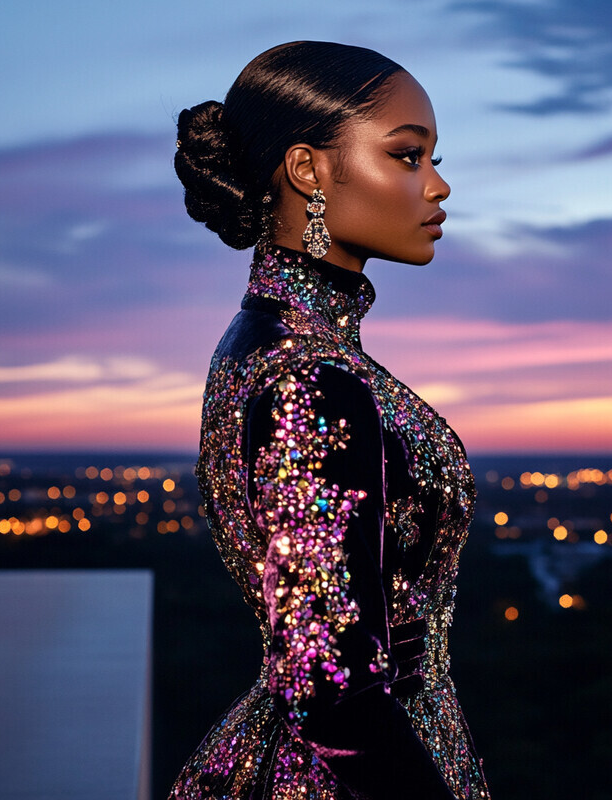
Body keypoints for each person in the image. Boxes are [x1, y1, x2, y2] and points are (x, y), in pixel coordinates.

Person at [169, 41, 491, 800]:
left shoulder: (260, 342)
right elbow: (332, 692)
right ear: (308, 170)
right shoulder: (310, 378)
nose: (439, 187)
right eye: (409, 157)